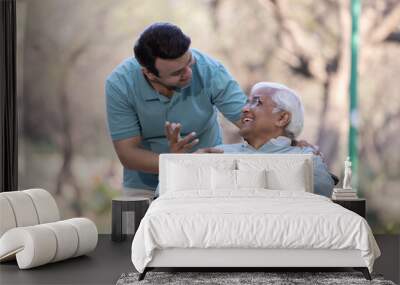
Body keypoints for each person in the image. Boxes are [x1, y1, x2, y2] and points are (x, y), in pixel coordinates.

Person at [105, 22, 247, 197]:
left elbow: (249, 121)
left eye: (190, 62)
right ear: (149, 74)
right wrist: (178, 162)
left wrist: (283, 140)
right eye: (177, 73)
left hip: (209, 178)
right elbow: (128, 154)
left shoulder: (211, 70)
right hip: (145, 185)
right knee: (134, 222)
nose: (188, 72)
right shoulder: (120, 85)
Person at [166, 82, 335, 197]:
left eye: (257, 103)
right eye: (247, 102)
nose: (245, 108)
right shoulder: (218, 153)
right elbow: (167, 194)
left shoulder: (305, 158)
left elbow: (324, 199)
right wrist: (180, 163)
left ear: (282, 118)